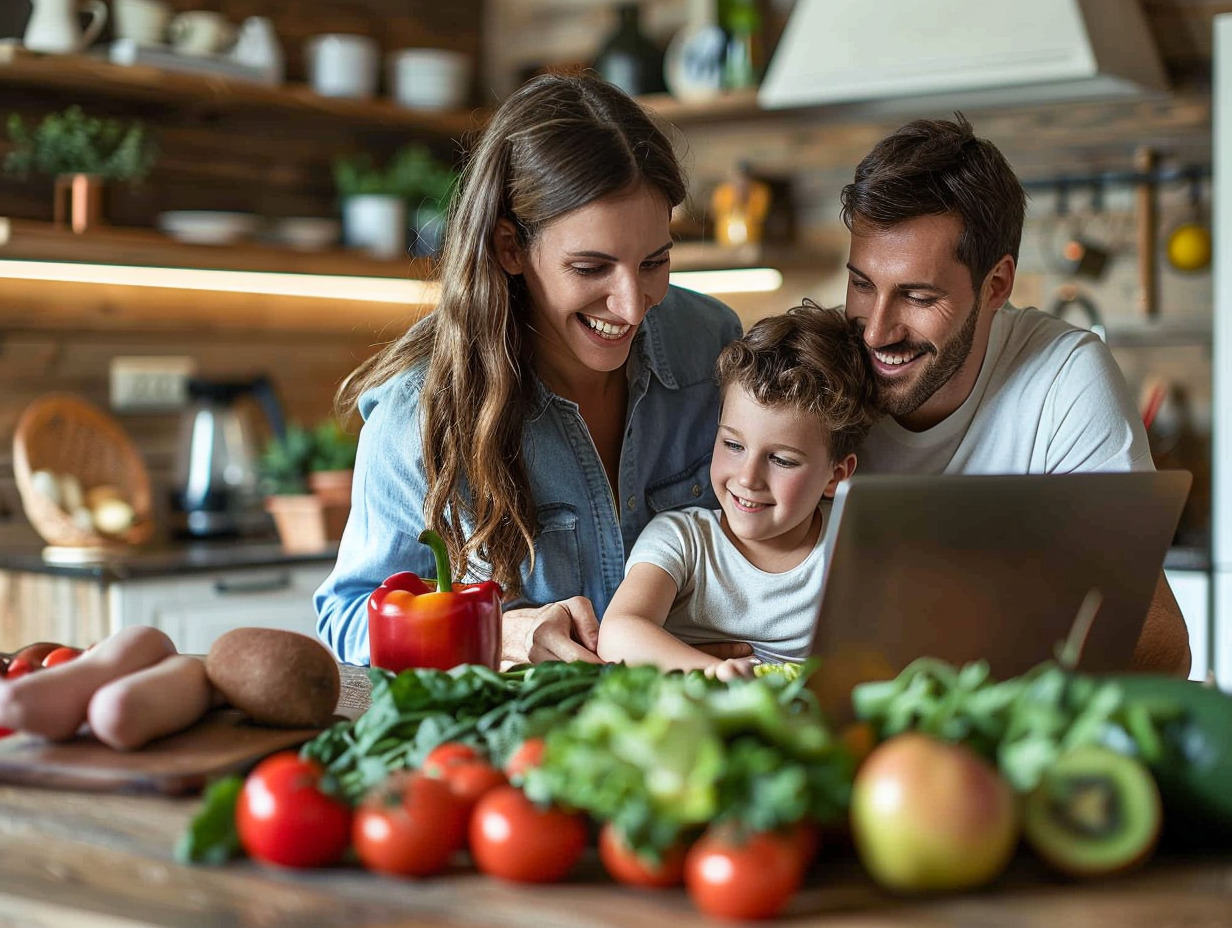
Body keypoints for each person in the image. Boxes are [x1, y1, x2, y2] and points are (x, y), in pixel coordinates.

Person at [313, 73, 744, 667]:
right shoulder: (422, 413)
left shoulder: (713, 345)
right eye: (591, 268)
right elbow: (347, 615)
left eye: (655, 261)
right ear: (509, 248)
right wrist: (498, 634)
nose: (631, 303)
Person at [839, 113, 1191, 676]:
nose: (876, 331)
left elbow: (1162, 643)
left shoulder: (1063, 376)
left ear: (997, 284)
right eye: (861, 284)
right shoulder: (817, 366)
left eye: (918, 296)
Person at [598, 302, 876, 680]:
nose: (748, 478)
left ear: (837, 475)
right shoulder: (682, 540)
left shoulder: (849, 552)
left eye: (782, 460)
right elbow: (618, 633)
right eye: (733, 445)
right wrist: (717, 674)